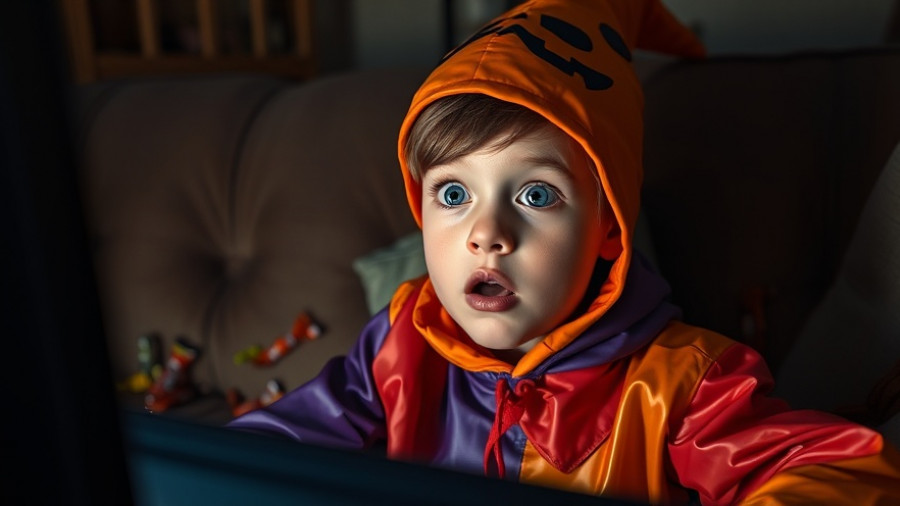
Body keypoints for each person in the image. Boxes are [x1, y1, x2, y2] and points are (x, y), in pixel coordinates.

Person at [229, 0, 900, 503]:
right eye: (454, 193)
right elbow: (255, 457)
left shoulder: (680, 383)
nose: (486, 234)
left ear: (609, 226)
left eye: (537, 197)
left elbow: (839, 472)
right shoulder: (401, 345)